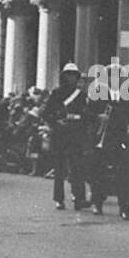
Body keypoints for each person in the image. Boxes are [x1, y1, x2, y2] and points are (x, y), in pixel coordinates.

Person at [44, 62, 90, 210]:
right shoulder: (56, 93)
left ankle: (79, 198)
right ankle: (59, 199)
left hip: (75, 133)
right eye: (68, 75)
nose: (71, 78)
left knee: (77, 167)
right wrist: (56, 122)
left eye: (73, 75)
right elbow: (47, 113)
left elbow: (85, 114)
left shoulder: (81, 95)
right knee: (59, 168)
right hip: (60, 133)